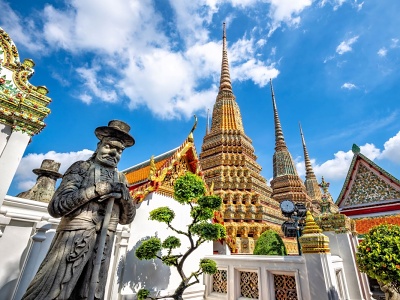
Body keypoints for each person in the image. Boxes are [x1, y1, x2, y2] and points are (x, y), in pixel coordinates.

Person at [22, 120, 136, 300]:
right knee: (54, 289)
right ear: (99, 146)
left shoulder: (121, 178)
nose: (114, 153)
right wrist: (97, 190)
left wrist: (125, 198)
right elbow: (57, 206)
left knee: (93, 292)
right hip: (75, 236)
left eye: (120, 150)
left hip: (104, 243)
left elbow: (126, 219)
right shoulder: (82, 168)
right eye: (108, 146)